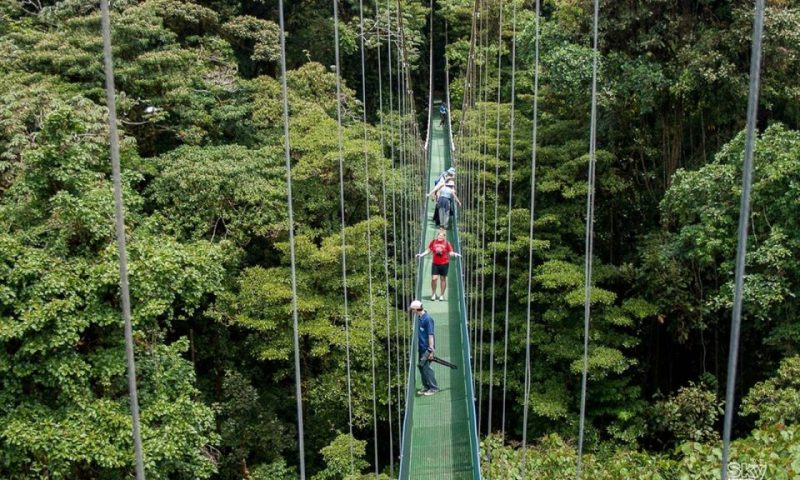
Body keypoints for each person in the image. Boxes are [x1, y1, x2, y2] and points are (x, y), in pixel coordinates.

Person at [416, 229, 461, 301]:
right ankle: (433, 294)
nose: (440, 236)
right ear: (437, 235)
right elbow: (428, 250)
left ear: (444, 237)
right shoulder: (433, 242)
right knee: (434, 279)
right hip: (435, 264)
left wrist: (455, 254)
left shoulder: (447, 243)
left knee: (443, 279)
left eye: (441, 235)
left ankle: (442, 295)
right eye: (439, 235)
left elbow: (450, 252)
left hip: (444, 264)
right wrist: (421, 255)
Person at [409, 299, 438, 396]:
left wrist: (431, 350)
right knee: (421, 366)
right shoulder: (420, 318)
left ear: (417, 310)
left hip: (427, 349)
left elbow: (431, 335)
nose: (412, 312)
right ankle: (426, 386)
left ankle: (433, 387)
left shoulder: (427, 319)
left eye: (413, 310)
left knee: (426, 368)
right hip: (421, 348)